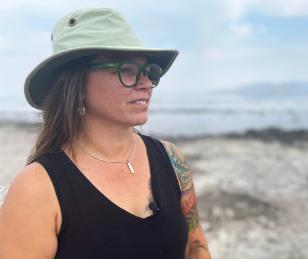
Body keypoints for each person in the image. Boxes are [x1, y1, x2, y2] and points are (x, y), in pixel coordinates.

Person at [0, 8, 211, 259]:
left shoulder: (171, 159)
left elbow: (194, 246)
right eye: (128, 70)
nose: (145, 84)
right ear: (76, 81)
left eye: (149, 72)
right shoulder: (37, 187)